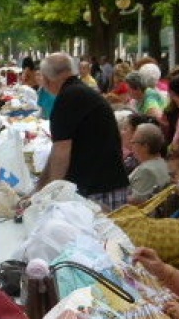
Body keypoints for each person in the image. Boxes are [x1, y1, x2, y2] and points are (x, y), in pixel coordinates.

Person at [34, 52, 131, 210]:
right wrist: (39, 189)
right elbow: (57, 150)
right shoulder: (77, 91)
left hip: (98, 189)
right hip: (105, 184)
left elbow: (61, 152)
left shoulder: (68, 97)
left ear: (46, 79)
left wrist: (50, 197)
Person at [126, 121, 169, 205]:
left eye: (134, 142)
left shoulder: (147, 170)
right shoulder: (162, 163)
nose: (131, 145)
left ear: (145, 146)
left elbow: (136, 201)